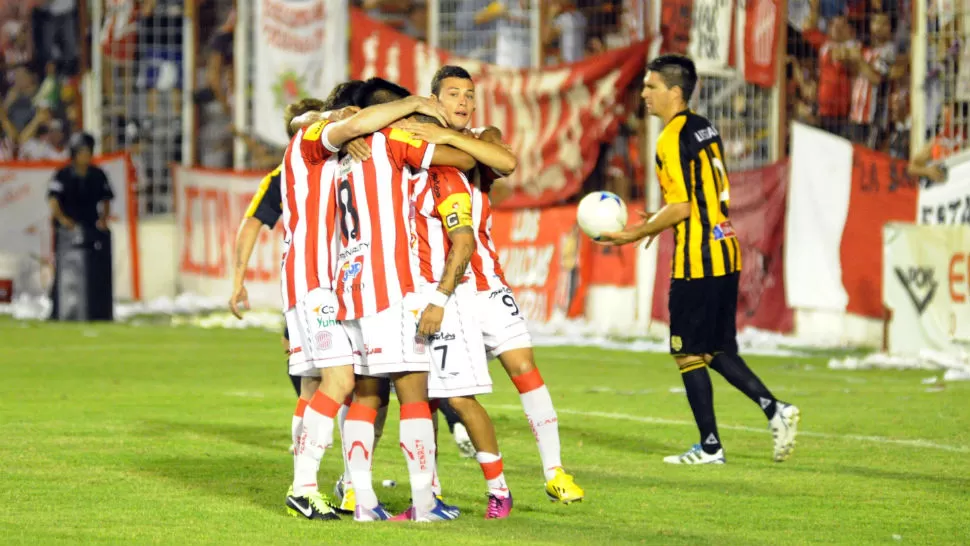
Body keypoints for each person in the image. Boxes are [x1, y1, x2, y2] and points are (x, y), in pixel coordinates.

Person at [596, 54, 800, 464]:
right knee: (715, 349)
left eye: (651, 86)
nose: (644, 94)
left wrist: (638, 231)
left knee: (687, 351)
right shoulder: (704, 126)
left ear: (675, 92)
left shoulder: (670, 137)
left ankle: (711, 446)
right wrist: (657, 221)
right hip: (725, 247)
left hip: (697, 257)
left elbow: (683, 205)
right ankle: (775, 410)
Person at [404, 65, 585, 502]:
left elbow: (505, 160)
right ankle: (430, 489)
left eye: (469, 94)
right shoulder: (412, 142)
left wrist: (445, 136)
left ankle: (555, 471)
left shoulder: (483, 137)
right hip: (437, 287)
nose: (463, 102)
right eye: (453, 95)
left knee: (525, 369)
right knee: (429, 392)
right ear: (433, 99)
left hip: (485, 283)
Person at [280, 86, 451, 521]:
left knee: (333, 384)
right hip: (313, 278)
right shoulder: (314, 137)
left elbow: (342, 124)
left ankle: (325, 486)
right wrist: (413, 105)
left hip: (327, 280)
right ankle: (303, 488)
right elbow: (336, 124)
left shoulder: (326, 142)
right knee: (337, 382)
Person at [330, 77, 475, 522]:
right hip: (389, 284)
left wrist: (339, 117)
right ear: (398, 113)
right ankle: (425, 503)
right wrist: (439, 132)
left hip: (351, 284)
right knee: (414, 392)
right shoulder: (392, 139)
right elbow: (466, 159)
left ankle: (362, 500)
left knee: (368, 394)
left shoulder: (340, 152)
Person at [400, 157, 514, 519]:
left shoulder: (445, 178)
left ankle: (499, 491)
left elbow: (463, 244)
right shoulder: (399, 178)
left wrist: (438, 300)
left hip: (444, 299)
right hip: (409, 300)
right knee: (421, 401)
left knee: (460, 399)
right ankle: (427, 496)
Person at [46, 132, 113, 320]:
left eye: (89, 151)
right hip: (68, 230)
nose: (86, 155)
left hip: (91, 228)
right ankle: (59, 308)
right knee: (63, 270)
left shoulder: (98, 175)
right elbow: (53, 200)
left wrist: (103, 220)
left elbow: (106, 199)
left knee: (95, 270)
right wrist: (64, 220)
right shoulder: (63, 175)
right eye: (83, 151)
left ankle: (97, 308)